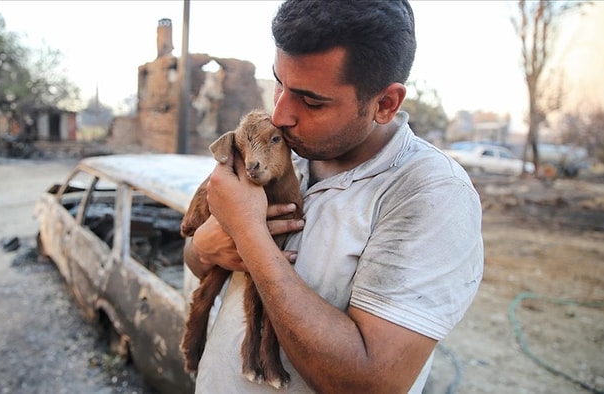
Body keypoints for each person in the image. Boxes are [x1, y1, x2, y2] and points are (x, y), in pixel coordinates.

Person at [183, 0, 484, 392]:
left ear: (385, 104)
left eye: (311, 101)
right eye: (279, 83)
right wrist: (205, 247)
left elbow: (369, 382)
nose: (280, 114)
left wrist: (248, 234)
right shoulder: (279, 149)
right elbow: (196, 259)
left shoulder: (430, 194)